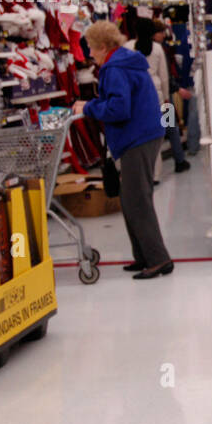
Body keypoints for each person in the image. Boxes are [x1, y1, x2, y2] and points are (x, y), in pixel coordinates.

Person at [73, 21, 174, 280]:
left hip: (136, 137)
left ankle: (158, 259)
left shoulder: (115, 69)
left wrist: (88, 108)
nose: (89, 54)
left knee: (136, 201)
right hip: (145, 132)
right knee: (133, 199)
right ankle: (143, 256)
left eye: (92, 48)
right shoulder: (127, 62)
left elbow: (119, 109)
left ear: (104, 47)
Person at [128, 19, 190, 175]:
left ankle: (150, 170)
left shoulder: (128, 47)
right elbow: (164, 76)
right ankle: (179, 161)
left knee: (145, 133)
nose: (164, 34)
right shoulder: (157, 49)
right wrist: (167, 97)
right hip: (160, 95)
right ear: (152, 33)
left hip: (137, 96)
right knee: (171, 127)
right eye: (161, 32)